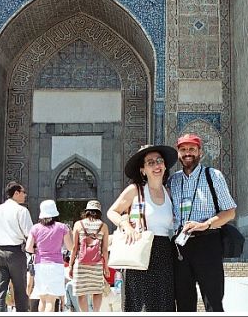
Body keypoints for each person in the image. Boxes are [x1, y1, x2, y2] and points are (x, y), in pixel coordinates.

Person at [169, 133, 237, 312]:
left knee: (213, 302)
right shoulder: (173, 180)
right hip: (180, 246)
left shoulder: (213, 176)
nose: (187, 153)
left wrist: (205, 224)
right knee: (183, 302)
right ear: (178, 153)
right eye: (183, 149)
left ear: (200, 152)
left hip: (207, 243)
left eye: (192, 149)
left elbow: (230, 212)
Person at [107, 144, 177, 311]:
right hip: (140, 251)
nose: (156, 165)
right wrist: (125, 224)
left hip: (164, 253)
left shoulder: (169, 193)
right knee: (142, 305)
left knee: (164, 303)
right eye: (150, 162)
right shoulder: (135, 190)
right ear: (143, 170)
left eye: (159, 161)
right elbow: (112, 212)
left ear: (165, 166)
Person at [0, 181, 33, 312]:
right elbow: (30, 234)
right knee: (20, 290)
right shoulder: (21, 211)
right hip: (16, 253)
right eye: (23, 192)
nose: (25, 195)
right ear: (16, 193)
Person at [25, 200, 73, 312]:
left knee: (42, 299)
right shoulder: (62, 227)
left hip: (40, 265)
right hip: (56, 265)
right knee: (51, 300)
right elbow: (70, 247)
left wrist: (37, 250)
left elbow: (28, 248)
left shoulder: (35, 228)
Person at [69, 200, 109, 312]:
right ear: (99, 212)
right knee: (97, 291)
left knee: (81, 292)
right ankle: (95, 313)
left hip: (81, 264)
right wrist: (106, 268)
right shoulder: (103, 226)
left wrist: (71, 265)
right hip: (97, 264)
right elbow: (105, 249)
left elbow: (74, 248)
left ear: (87, 211)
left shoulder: (78, 224)